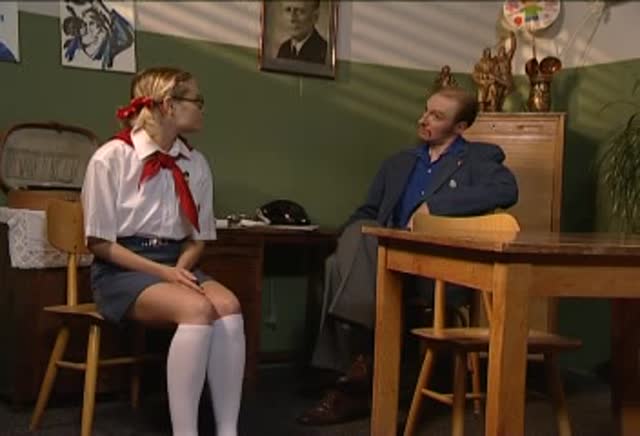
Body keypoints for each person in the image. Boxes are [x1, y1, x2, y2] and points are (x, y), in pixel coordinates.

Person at [297, 87, 518, 425]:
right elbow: (368, 212)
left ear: (460, 127)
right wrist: (346, 243)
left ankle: (352, 372)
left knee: (338, 266)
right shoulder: (399, 163)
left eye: (436, 116)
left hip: (435, 271)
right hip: (385, 262)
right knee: (350, 244)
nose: (423, 119)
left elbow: (507, 190)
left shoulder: (478, 158)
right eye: (426, 111)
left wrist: (434, 208)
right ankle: (360, 369)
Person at [81, 67, 245, 436]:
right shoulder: (111, 158)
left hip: (176, 262)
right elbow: (100, 243)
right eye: (197, 101)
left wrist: (180, 269)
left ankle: (228, 430)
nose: (202, 108)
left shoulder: (196, 163)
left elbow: (198, 238)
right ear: (169, 105)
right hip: (122, 268)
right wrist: (164, 275)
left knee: (229, 305)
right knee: (197, 309)